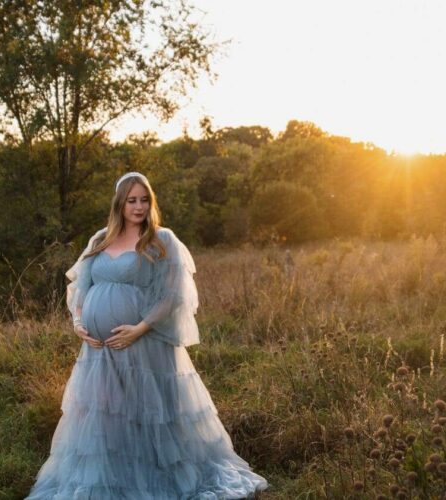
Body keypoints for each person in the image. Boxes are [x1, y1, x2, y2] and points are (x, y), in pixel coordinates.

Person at [26, 172, 268, 499]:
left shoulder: (162, 240)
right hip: (101, 351)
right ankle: (110, 479)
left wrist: (138, 329)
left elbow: (172, 296)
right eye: (132, 200)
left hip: (144, 346)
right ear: (119, 203)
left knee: (148, 416)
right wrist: (79, 324)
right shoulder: (101, 239)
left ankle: (156, 480)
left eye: (144, 200)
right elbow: (82, 288)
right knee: (107, 415)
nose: (138, 207)